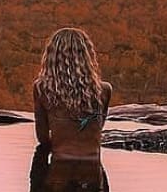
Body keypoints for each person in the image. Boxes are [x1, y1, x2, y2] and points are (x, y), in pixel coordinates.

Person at [32, 27, 112, 160]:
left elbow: (43, 138)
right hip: (93, 168)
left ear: (52, 57)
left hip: (59, 168)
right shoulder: (104, 90)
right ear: (87, 56)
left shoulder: (42, 88)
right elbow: (95, 131)